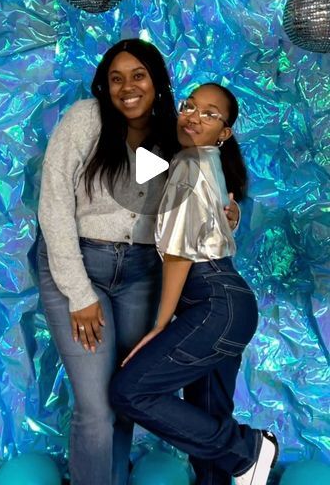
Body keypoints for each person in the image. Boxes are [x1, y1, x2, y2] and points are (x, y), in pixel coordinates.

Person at [36, 39, 240, 485]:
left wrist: (228, 211)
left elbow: (193, 190)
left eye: (138, 75)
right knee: (94, 408)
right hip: (77, 265)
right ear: (104, 86)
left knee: (121, 396)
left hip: (139, 274)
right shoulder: (86, 121)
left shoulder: (171, 134)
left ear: (157, 82)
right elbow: (52, 204)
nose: (127, 87)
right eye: (116, 78)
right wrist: (78, 292)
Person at [110, 83, 279, 485]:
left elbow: (179, 253)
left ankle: (246, 449)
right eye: (189, 106)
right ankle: (232, 464)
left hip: (211, 300)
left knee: (130, 392)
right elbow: (136, 172)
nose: (194, 116)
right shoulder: (191, 160)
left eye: (210, 113)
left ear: (225, 132)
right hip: (228, 304)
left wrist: (159, 325)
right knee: (204, 424)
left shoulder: (191, 165)